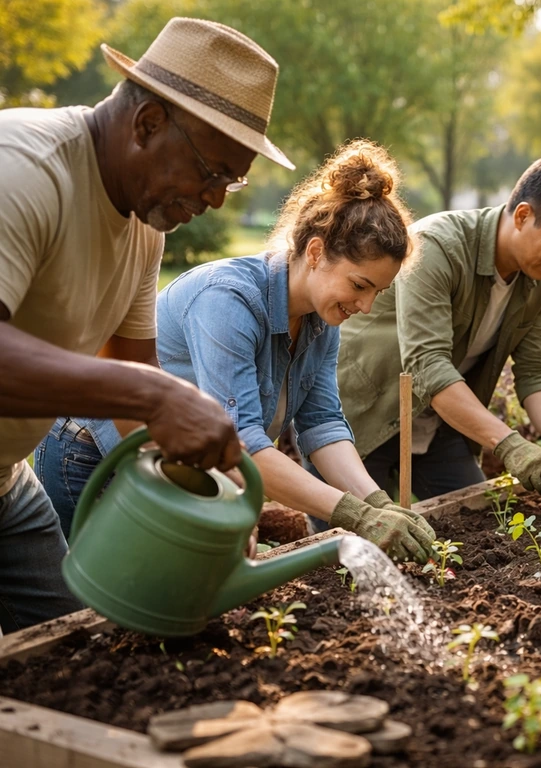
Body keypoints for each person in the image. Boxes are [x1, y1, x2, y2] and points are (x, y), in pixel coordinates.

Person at [0, 17, 293, 634]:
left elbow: (127, 372)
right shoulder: (25, 169)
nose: (217, 200)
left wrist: (207, 500)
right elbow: (141, 391)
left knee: (72, 650)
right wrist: (158, 395)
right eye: (213, 173)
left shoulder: (142, 224)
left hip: (5, 484)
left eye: (231, 183)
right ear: (149, 123)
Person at [38, 140, 437, 563]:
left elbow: (322, 425)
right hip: (92, 455)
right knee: (92, 611)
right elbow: (243, 442)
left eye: (377, 292)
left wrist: (378, 503)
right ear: (316, 252)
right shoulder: (228, 300)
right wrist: (353, 514)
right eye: (359, 285)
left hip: (176, 465)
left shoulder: (322, 320)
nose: (366, 306)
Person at [335, 153, 541, 501]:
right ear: (523, 215)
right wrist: (510, 445)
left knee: (476, 527)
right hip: (360, 416)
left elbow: (537, 371)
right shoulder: (436, 247)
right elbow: (428, 366)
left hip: (441, 424)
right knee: (356, 546)